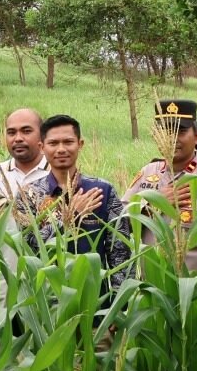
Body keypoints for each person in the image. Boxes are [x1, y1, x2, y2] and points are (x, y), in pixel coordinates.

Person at [125, 99, 197, 277]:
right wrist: (153, 203)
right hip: (151, 290)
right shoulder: (147, 172)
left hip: (194, 293)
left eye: (181, 131)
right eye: (165, 132)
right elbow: (120, 223)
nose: (172, 138)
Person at [28, 114, 131, 280]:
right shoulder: (30, 194)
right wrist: (71, 216)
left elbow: (120, 252)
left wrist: (120, 302)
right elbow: (30, 247)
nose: (61, 149)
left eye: (68, 142)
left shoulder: (102, 191)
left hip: (94, 295)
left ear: (80, 144)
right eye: (53, 143)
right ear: (41, 147)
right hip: (48, 296)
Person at [0, 108, 48, 199]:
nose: (18, 138)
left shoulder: (58, 174)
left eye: (26, 131)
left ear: (42, 134)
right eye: (11, 133)